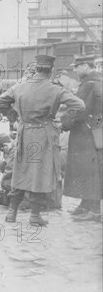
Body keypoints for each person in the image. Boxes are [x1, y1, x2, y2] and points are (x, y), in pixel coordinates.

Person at [0, 55, 85, 226]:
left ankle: (11, 213)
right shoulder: (55, 89)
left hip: (23, 134)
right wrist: (63, 118)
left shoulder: (19, 86)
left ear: (36, 69)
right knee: (40, 174)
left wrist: (14, 117)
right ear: (51, 71)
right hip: (44, 135)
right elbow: (80, 105)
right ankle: (35, 216)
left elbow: (1, 101)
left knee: (20, 171)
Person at [62, 54, 102, 222]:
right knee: (92, 170)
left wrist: (63, 123)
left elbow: (80, 110)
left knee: (88, 171)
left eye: (77, 66)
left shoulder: (89, 84)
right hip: (95, 132)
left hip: (85, 134)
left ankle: (93, 210)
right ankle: (86, 204)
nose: (74, 70)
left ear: (85, 65)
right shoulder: (98, 81)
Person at [0, 132, 16, 202]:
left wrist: (3, 181)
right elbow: (8, 162)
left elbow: (10, 169)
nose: (2, 151)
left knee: (5, 184)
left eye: (1, 149)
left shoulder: (15, 150)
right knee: (1, 165)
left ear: (5, 145)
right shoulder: (10, 148)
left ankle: (24, 198)